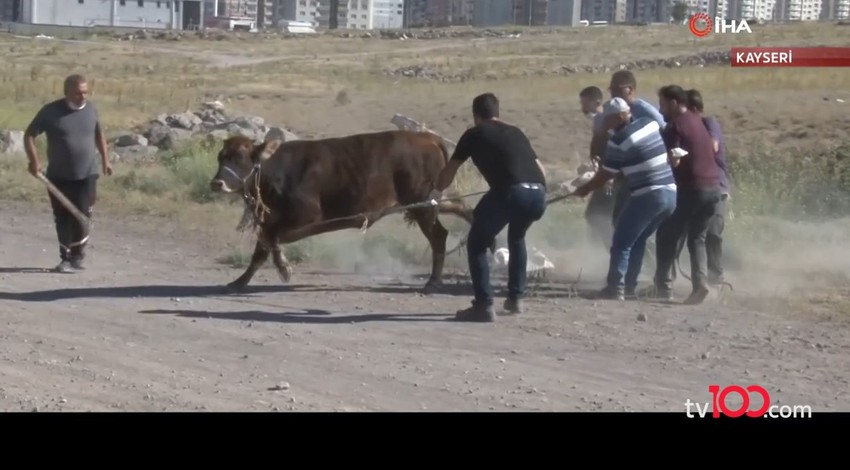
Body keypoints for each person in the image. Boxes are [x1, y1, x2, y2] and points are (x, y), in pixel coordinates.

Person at [431, 93, 547, 322]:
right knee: (517, 238)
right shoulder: (516, 132)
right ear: (497, 112)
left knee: (477, 242)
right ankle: (516, 299)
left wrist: (436, 193)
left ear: (476, 115)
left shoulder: (474, 134)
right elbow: (541, 170)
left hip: (511, 192)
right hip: (537, 193)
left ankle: (483, 305)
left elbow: (451, 169)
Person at [572, 98, 677, 300]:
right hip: (670, 193)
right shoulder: (650, 123)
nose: (606, 124)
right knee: (636, 240)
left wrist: (584, 189)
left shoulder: (618, 140)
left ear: (620, 115)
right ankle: (628, 286)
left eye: (609, 120)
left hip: (648, 195)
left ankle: (615, 288)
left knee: (621, 243)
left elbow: (606, 175)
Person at [24, 74, 113, 273]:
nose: (83, 96)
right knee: (62, 217)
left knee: (82, 216)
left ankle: (77, 256)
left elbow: (99, 134)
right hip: (58, 176)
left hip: (87, 174)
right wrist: (34, 161)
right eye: (78, 93)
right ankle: (65, 258)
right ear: (67, 93)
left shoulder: (91, 109)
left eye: (85, 92)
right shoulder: (50, 112)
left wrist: (106, 160)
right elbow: (29, 135)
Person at [652, 85, 722, 304]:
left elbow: (674, 159)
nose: (660, 109)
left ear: (674, 103)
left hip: (693, 188)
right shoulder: (697, 121)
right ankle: (700, 285)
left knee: (667, 234)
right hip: (714, 189)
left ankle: (663, 287)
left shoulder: (674, 127)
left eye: (662, 104)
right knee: (697, 238)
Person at [607, 70, 667, 227]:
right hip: (629, 173)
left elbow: (665, 133)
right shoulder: (616, 112)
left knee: (626, 221)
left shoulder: (644, 110)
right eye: (612, 90)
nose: (613, 94)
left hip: (648, 174)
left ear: (630, 90)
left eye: (617, 90)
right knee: (619, 219)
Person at [686, 89, 729, 284]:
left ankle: (716, 279)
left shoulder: (708, 123)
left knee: (712, 233)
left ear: (694, 109)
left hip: (715, 186)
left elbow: (713, 146)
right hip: (693, 187)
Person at [579, 85, 616, 250]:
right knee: (597, 216)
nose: (583, 108)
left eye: (586, 104)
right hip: (604, 175)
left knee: (595, 215)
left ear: (597, 101)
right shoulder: (598, 120)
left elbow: (614, 149)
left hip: (611, 178)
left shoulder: (609, 120)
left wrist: (610, 175)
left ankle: (617, 252)